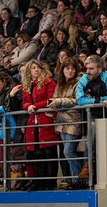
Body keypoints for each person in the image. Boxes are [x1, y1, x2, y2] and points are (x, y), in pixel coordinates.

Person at [48, 57, 83, 189]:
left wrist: (60, 102)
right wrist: (55, 102)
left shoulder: (79, 82)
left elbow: (77, 100)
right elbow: (56, 98)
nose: (70, 71)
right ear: (62, 70)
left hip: (74, 121)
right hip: (61, 121)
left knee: (69, 152)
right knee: (66, 152)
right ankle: (73, 179)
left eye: (73, 68)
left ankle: (78, 179)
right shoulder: (60, 84)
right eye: (67, 68)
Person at [22, 60, 57, 191]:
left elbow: (50, 100)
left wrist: (34, 106)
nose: (36, 70)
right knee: (36, 153)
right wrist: (28, 107)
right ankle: (39, 181)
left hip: (46, 121)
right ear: (29, 71)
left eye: (38, 68)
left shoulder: (49, 82)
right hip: (33, 123)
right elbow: (25, 102)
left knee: (49, 153)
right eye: (33, 68)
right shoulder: (27, 85)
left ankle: (50, 183)